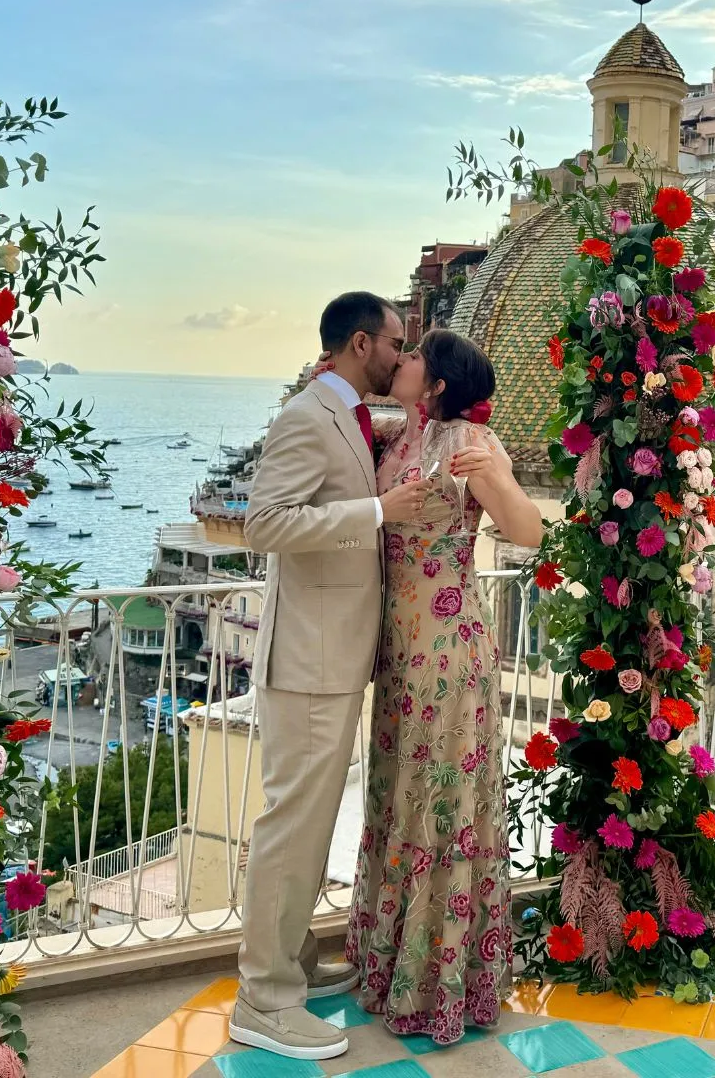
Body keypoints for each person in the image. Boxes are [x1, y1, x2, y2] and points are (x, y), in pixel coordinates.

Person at [232, 292, 433, 1060]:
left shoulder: (345, 415)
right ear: (359, 344)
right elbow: (265, 524)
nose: (399, 353)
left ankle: (290, 962)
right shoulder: (304, 416)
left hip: (335, 654)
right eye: (393, 341)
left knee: (311, 824)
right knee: (292, 827)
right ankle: (263, 999)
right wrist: (377, 512)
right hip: (310, 659)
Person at [347, 330, 543, 1044]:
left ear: (438, 382)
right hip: (400, 653)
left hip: (449, 654)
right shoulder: (399, 439)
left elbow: (528, 530)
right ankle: (392, 960)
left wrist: (491, 474)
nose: (402, 362)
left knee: (442, 805)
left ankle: (439, 981)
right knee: (401, 796)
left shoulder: (468, 442)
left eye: (416, 357)